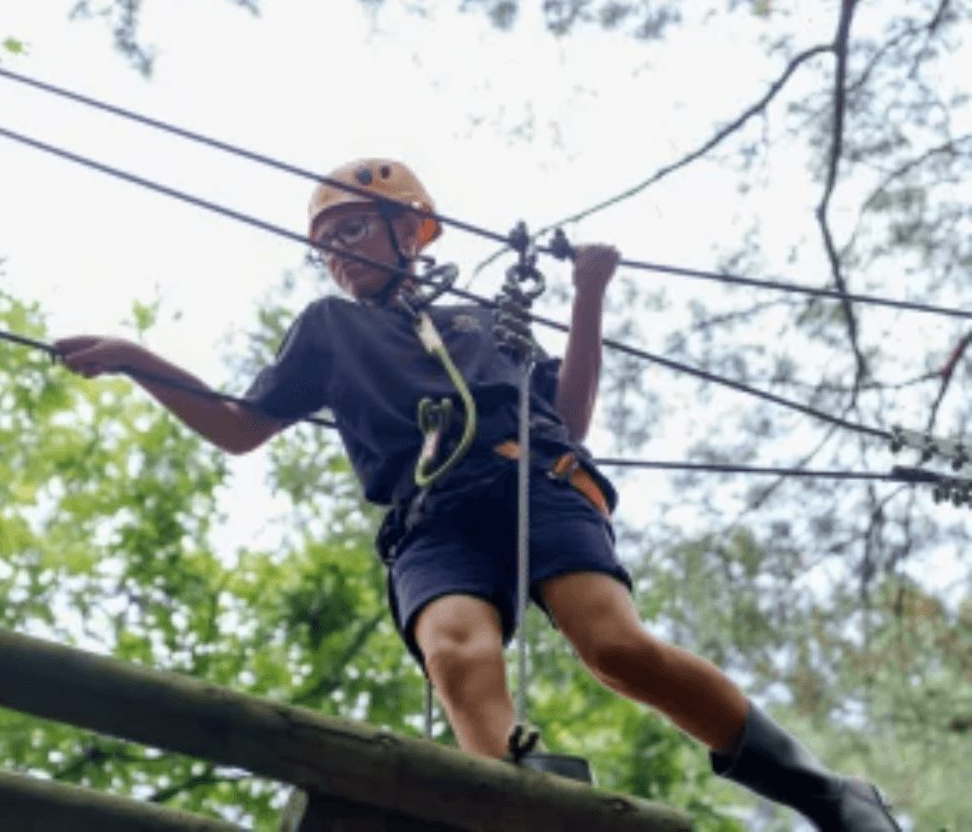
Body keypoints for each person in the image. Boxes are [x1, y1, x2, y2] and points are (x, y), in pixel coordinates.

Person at [55, 159, 901, 831]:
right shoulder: (328, 328)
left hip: (536, 480)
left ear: (409, 231)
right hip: (432, 516)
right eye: (328, 241)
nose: (340, 250)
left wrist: (587, 300)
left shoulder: (485, 323)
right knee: (458, 652)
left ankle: (828, 793)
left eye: (355, 227)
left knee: (615, 649)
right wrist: (139, 358)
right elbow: (240, 425)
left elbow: (567, 417)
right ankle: (514, 802)